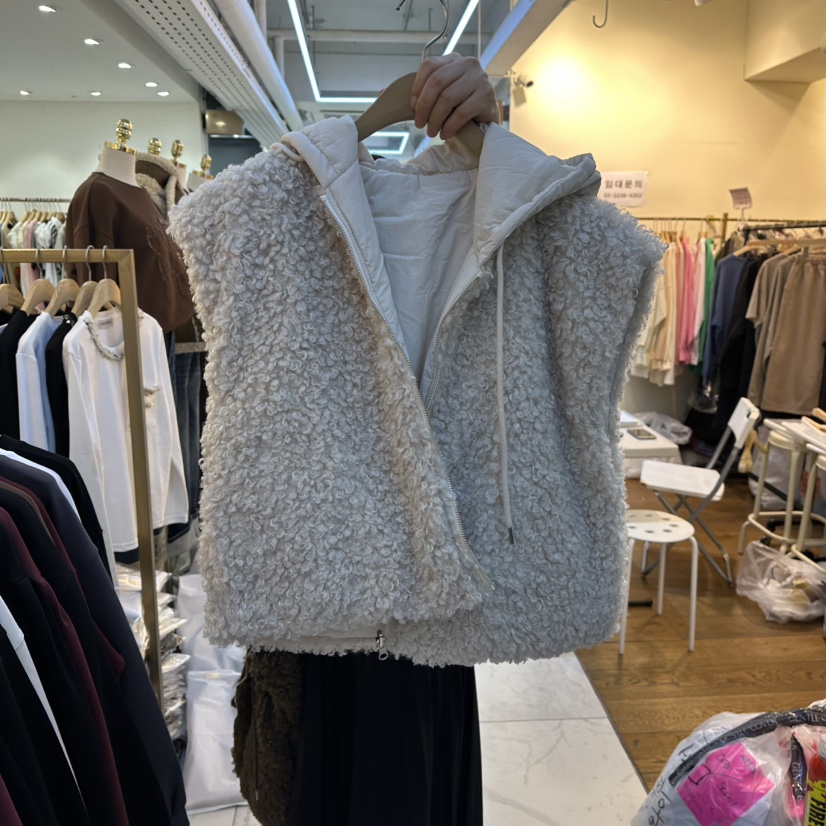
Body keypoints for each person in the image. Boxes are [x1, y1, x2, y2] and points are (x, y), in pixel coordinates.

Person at [232, 55, 500, 826]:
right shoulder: (281, 241)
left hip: (428, 606)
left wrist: (493, 143)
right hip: (323, 606)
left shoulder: (472, 245)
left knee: (405, 761)